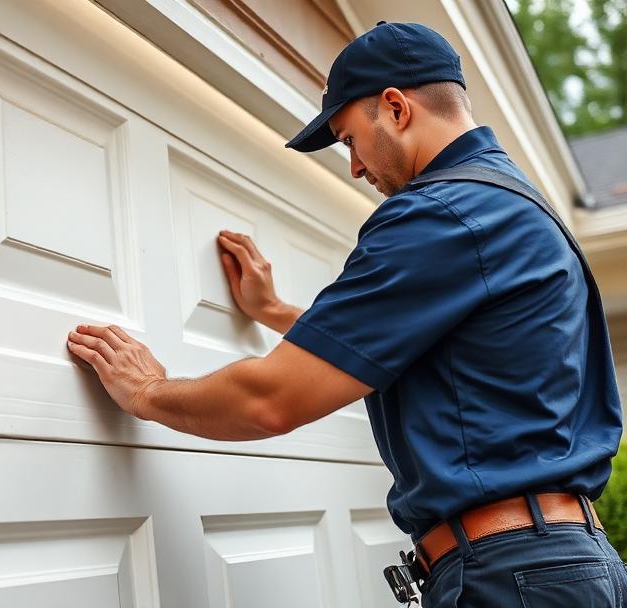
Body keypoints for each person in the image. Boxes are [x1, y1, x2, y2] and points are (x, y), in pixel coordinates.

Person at [66, 21, 626, 607]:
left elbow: (270, 400)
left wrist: (147, 391)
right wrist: (277, 311)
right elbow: (432, 344)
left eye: (349, 139)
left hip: (512, 576)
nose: (355, 167)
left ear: (395, 107)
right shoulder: (512, 207)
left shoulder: (442, 213)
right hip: (562, 565)